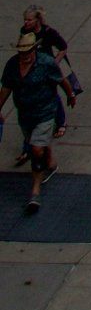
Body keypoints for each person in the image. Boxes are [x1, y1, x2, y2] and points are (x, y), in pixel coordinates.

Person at [0, 30, 68, 216]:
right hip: (26, 115)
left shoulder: (45, 63)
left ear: (34, 49)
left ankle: (35, 193)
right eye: (22, 52)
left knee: (36, 150)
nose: (25, 56)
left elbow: (61, 80)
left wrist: (70, 95)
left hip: (45, 112)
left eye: (28, 52)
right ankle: (50, 162)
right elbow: (6, 88)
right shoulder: (12, 66)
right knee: (36, 146)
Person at [14, 6, 76, 162]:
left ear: (37, 20)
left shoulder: (48, 32)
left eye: (29, 20)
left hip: (47, 69)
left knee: (52, 96)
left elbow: (63, 47)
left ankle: (61, 121)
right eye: (25, 20)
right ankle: (27, 149)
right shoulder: (25, 32)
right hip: (31, 68)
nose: (26, 23)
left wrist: (55, 62)